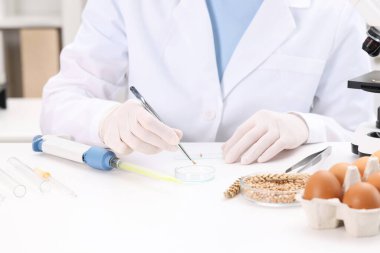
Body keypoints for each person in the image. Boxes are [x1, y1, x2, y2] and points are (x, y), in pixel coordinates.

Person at [41, 0, 374, 165]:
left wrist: (304, 127)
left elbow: (362, 137)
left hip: (275, 213)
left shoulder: (333, 11)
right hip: (147, 198)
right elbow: (61, 101)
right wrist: (106, 120)